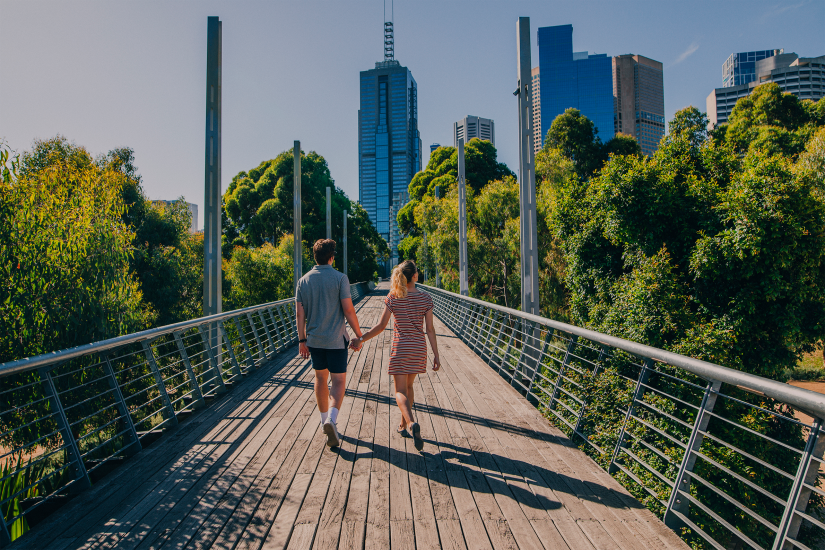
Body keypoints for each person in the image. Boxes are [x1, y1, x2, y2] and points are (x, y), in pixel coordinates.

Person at [349, 260, 440, 451]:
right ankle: (403, 425)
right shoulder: (426, 299)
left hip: (401, 348)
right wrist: (436, 355)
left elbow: (381, 326)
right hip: (418, 348)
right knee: (409, 387)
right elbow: (430, 329)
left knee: (399, 391)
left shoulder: (394, 296)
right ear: (415, 276)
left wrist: (360, 339)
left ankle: (411, 422)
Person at [296, 239, 364, 448]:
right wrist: (359, 335)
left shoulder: (303, 281)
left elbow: (300, 314)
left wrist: (302, 339)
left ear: (315, 257)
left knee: (320, 377)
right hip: (335, 339)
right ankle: (331, 420)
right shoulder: (340, 278)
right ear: (332, 257)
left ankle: (323, 419)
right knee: (339, 381)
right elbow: (349, 310)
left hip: (314, 340)